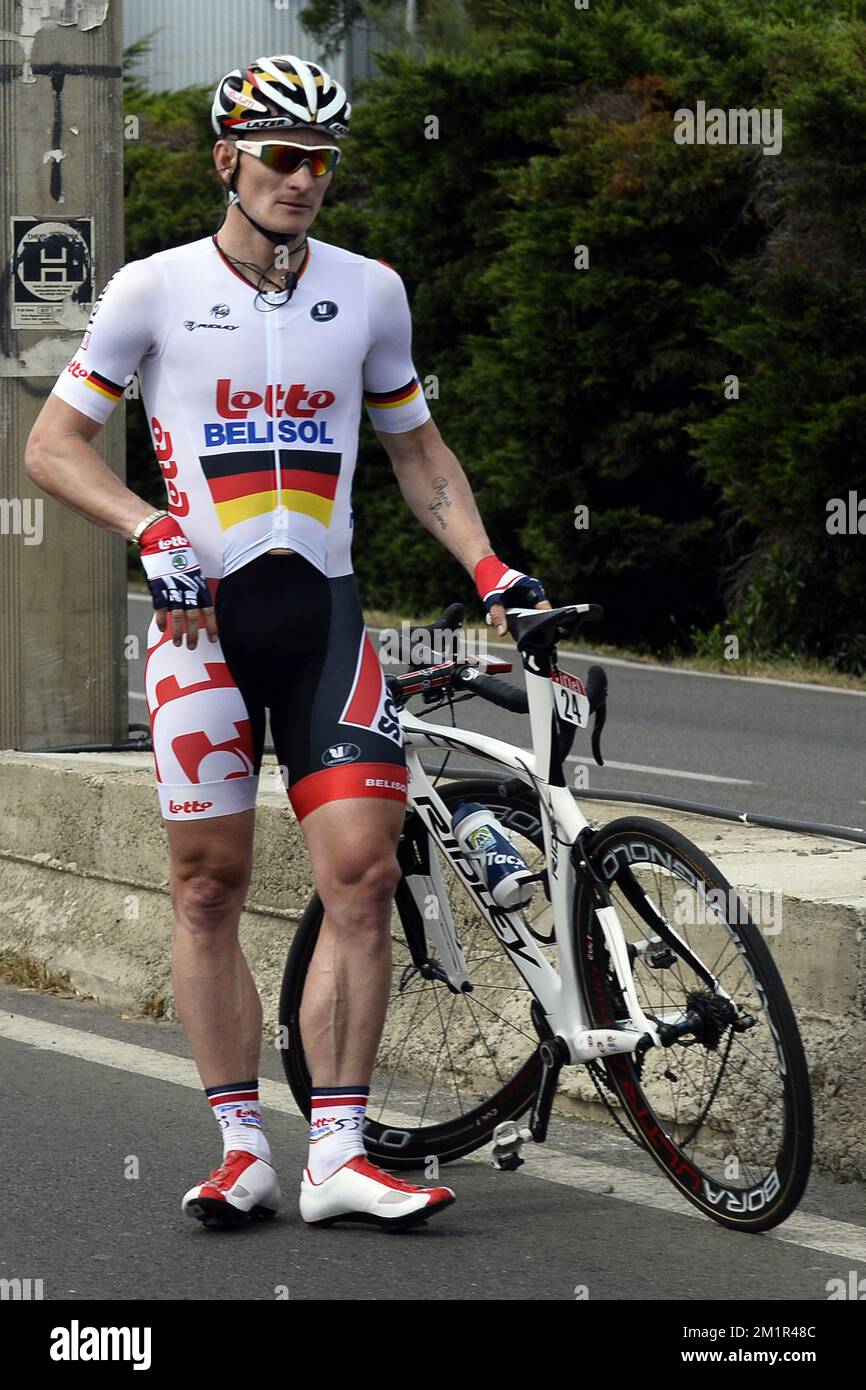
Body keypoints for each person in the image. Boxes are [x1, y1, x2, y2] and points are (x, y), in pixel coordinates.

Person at [25, 54, 550, 1231]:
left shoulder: (369, 292)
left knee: (360, 873)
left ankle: (337, 1154)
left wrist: (489, 569)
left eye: (321, 159)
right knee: (205, 889)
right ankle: (237, 1149)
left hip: (323, 619)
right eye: (281, 156)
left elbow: (418, 455)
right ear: (227, 161)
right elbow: (53, 449)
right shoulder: (151, 289)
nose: (304, 179)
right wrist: (147, 523)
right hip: (197, 630)